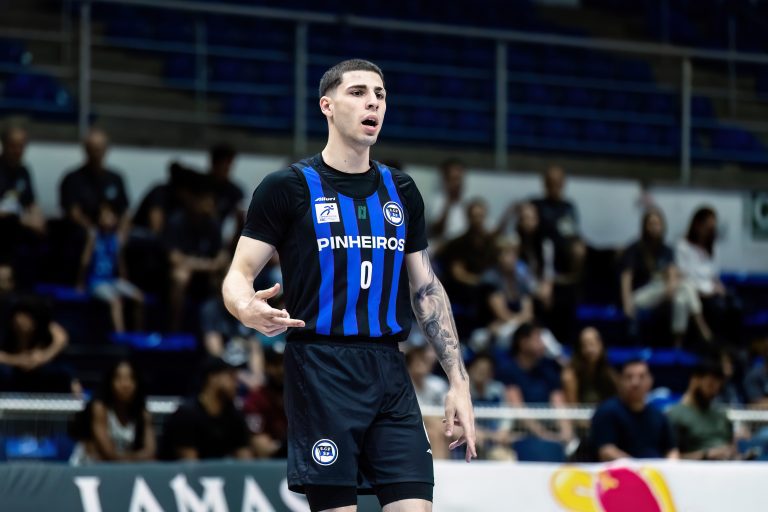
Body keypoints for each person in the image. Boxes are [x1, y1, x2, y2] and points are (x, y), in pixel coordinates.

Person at [222, 59, 475, 512]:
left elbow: (427, 291)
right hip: (321, 368)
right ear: (327, 106)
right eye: (358, 92)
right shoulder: (287, 187)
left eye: (380, 94)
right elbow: (238, 274)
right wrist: (246, 308)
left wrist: (459, 381)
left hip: (389, 369)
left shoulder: (401, 190)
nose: (372, 102)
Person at [621, 208, 711, 345]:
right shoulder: (634, 249)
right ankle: (702, 327)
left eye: (657, 224)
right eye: (651, 224)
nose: (654, 227)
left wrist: (671, 285)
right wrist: (626, 302)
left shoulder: (667, 250)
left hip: (661, 292)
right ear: (644, 226)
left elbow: (672, 272)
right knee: (686, 286)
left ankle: (678, 343)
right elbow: (626, 277)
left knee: (681, 299)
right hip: (640, 295)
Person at [159, 357, 252, 461]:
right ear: (212, 378)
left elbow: (245, 461)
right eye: (231, 378)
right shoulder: (186, 415)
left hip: (221, 470)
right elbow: (189, 465)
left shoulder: (235, 416)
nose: (236, 385)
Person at [589, 359, 678, 461]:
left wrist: (671, 464)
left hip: (656, 469)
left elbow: (671, 450)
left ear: (650, 381)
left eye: (641, 377)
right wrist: (636, 467)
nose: (635, 383)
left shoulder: (658, 415)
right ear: (620, 381)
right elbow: (606, 451)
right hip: (620, 469)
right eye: (629, 377)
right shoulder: (606, 412)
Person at [70, 360, 156, 464]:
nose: (125, 384)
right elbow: (109, 454)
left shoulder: (143, 412)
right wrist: (138, 458)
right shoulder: (99, 408)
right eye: (119, 379)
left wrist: (129, 459)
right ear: (110, 382)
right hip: (89, 467)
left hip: (126, 468)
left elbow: (150, 452)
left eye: (130, 379)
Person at [675, 206, 741, 341]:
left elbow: (714, 274)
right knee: (718, 307)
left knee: (736, 305)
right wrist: (705, 291)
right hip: (694, 292)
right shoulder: (683, 246)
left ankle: (732, 346)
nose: (710, 231)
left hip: (712, 290)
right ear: (697, 225)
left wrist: (718, 287)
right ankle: (712, 344)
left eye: (712, 228)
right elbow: (684, 275)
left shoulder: (712, 247)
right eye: (708, 227)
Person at [498, 323, 572, 442]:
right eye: (538, 339)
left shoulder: (548, 369)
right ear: (523, 343)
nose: (543, 344)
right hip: (520, 432)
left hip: (550, 430)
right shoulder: (508, 370)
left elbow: (558, 402)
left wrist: (567, 433)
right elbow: (518, 407)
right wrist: (544, 436)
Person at [79, 203, 144, 333]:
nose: (108, 219)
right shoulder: (93, 236)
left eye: (111, 216)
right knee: (116, 301)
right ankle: (120, 335)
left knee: (139, 297)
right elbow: (85, 261)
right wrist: (80, 282)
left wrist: (124, 279)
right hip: (96, 282)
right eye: (105, 216)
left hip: (111, 280)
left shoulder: (117, 238)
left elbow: (120, 262)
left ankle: (139, 334)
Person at [0, 296, 79, 394]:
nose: (21, 321)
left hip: (40, 370)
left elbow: (61, 339)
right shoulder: (5, 332)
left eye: (27, 317)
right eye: (19, 317)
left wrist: (43, 357)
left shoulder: (45, 329)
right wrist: (18, 360)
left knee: (62, 372)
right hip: (13, 371)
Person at [59, 129, 129, 228]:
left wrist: (121, 234)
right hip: (83, 231)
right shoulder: (72, 180)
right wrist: (92, 231)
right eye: (93, 149)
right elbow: (73, 213)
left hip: (113, 230)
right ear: (86, 150)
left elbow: (125, 212)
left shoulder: (116, 179)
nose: (97, 153)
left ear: (106, 149)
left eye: (100, 148)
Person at [666, 361, 735, 460]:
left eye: (718, 386)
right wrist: (706, 455)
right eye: (710, 385)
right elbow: (670, 458)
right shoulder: (676, 415)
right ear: (695, 380)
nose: (714, 391)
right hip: (695, 467)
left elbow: (731, 446)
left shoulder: (721, 416)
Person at [530, 165, 585, 280]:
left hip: (563, 249)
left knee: (580, 249)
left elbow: (572, 232)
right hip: (540, 246)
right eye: (551, 182)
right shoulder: (536, 205)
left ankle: (570, 282)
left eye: (558, 182)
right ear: (545, 183)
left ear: (563, 184)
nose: (555, 186)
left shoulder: (568, 207)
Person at [243, 348, 287, 459]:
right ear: (266, 367)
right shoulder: (255, 400)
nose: (282, 369)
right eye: (276, 364)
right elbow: (263, 449)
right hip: (271, 463)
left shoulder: (301, 397)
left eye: (285, 363)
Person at [406, 345, 449, 459]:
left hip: (440, 424)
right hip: (411, 426)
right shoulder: (403, 385)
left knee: (449, 430)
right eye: (417, 359)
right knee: (433, 433)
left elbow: (447, 410)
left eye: (424, 359)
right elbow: (413, 413)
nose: (422, 363)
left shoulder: (438, 384)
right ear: (409, 363)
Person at [0, 126, 44, 234]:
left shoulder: (24, 171)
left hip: (21, 226)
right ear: (4, 145)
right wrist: (20, 219)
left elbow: (31, 202)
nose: (17, 151)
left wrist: (37, 217)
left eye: (21, 146)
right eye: (13, 146)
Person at [562, 327, 616, 405]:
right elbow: (573, 409)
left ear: (601, 345)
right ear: (579, 349)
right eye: (585, 345)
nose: (589, 349)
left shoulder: (609, 373)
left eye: (592, 344)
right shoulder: (570, 376)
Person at [428, 158, 467, 247]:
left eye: (459, 179)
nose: (457, 183)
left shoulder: (467, 202)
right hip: (442, 248)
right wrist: (448, 203)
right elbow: (436, 230)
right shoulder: (435, 201)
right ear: (445, 180)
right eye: (453, 179)